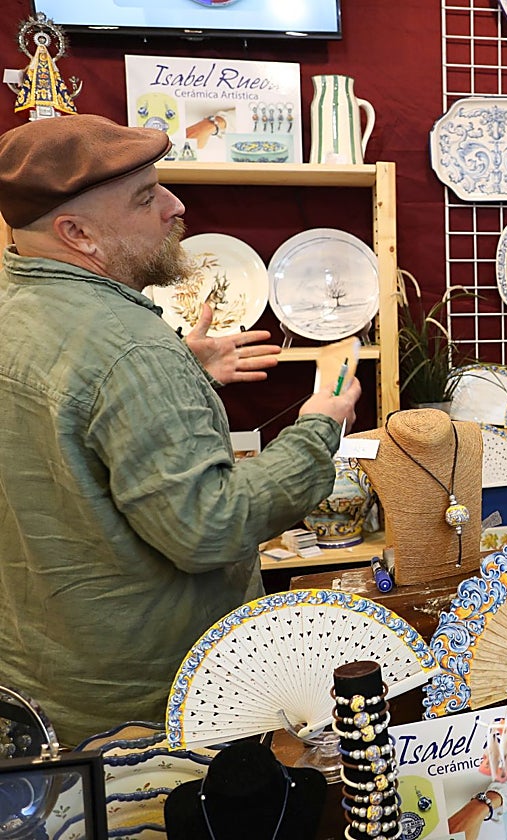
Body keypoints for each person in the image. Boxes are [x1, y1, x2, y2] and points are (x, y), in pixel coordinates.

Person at [0, 114, 361, 745]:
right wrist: (315, 431)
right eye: (146, 197)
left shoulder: (18, 306)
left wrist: (180, 378)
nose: (175, 205)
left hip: (44, 688)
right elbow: (208, 529)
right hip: (150, 716)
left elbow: (64, 436)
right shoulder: (131, 352)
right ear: (77, 232)